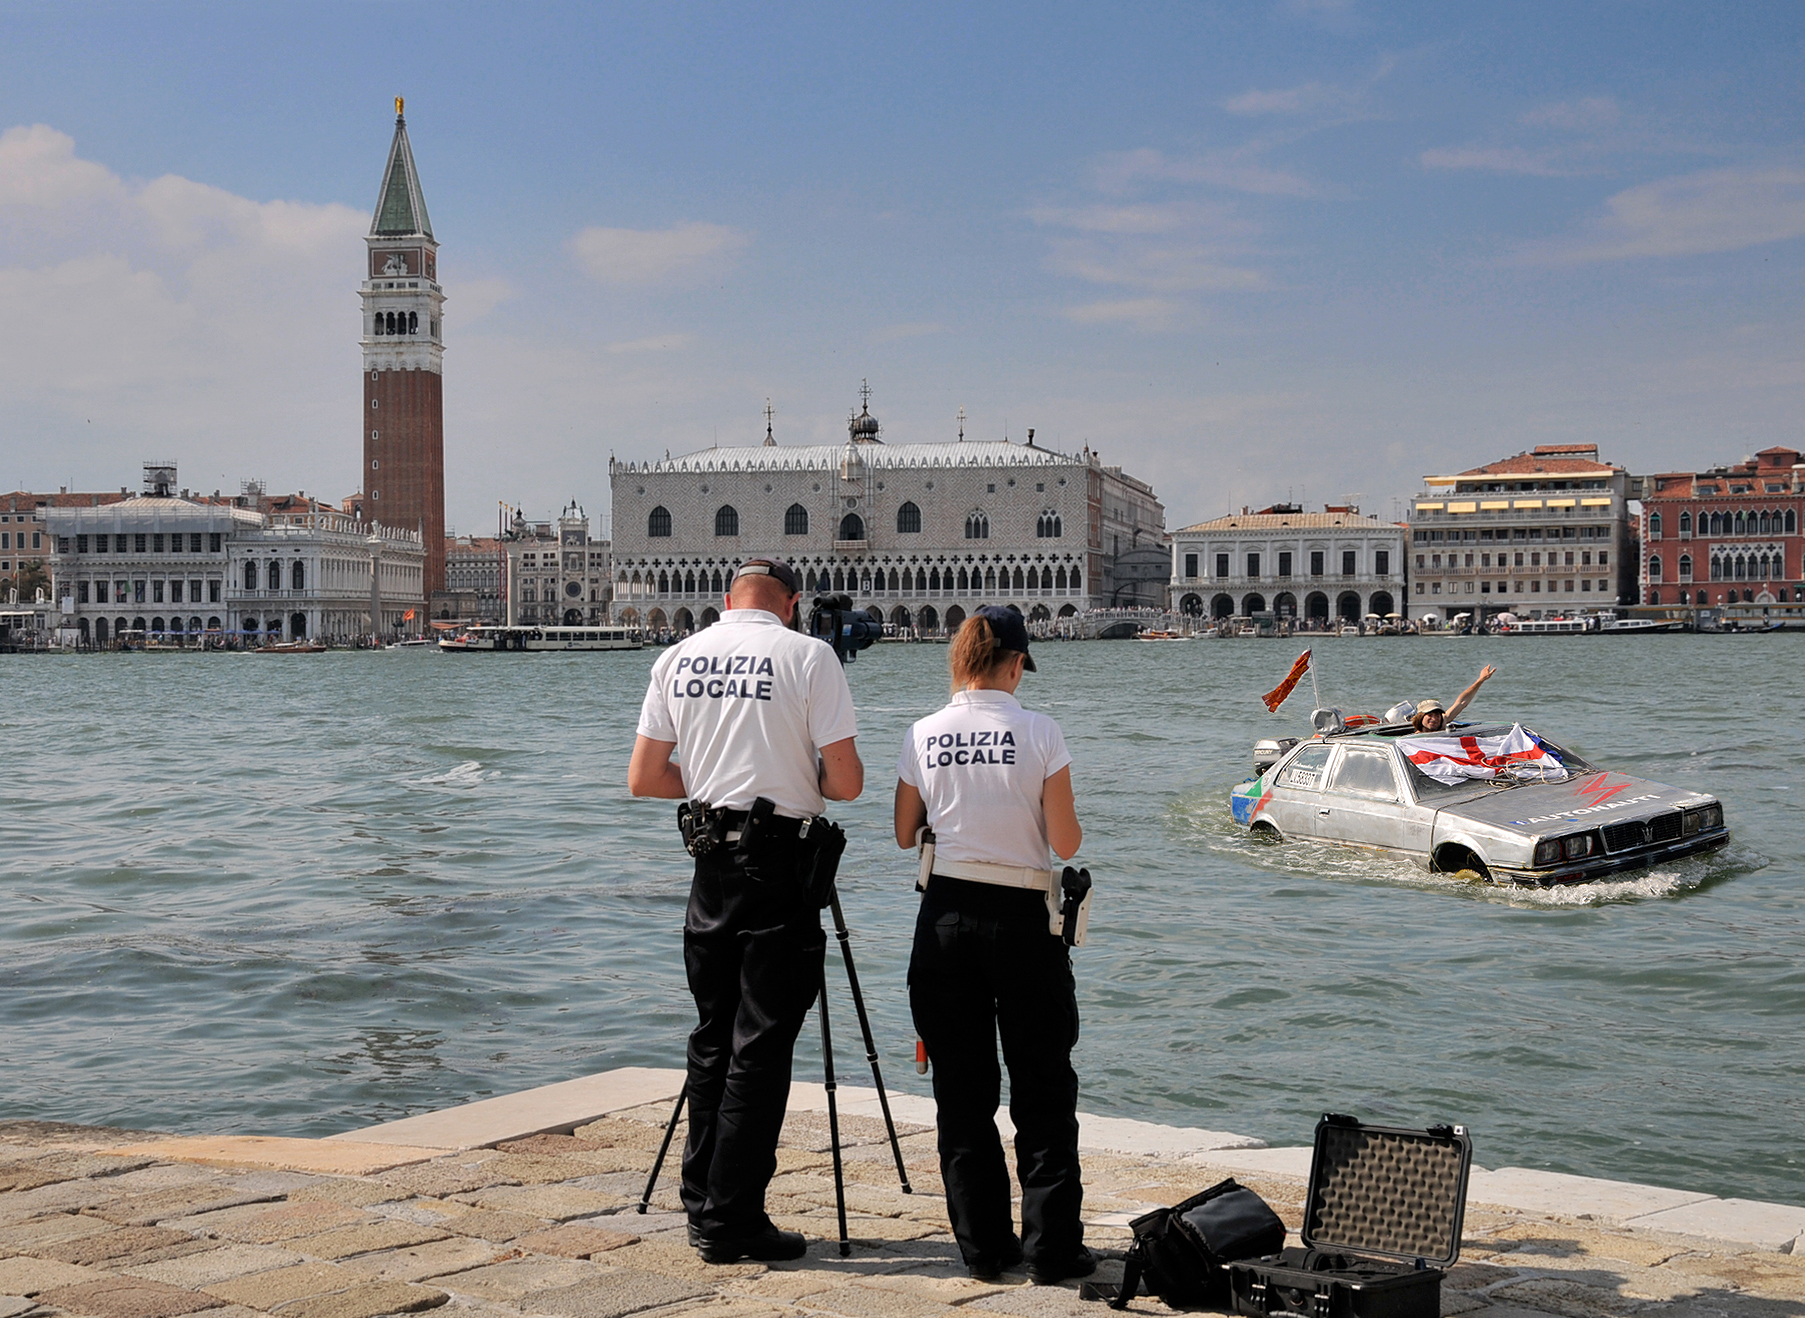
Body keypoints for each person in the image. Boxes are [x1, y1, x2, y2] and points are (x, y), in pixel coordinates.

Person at [628, 557, 864, 1264]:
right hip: (779, 867)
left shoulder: (678, 656)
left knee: (712, 1037)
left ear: (724, 599)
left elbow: (644, 777)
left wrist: (710, 780)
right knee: (760, 1046)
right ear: (790, 603)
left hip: (708, 863)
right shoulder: (808, 656)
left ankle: (701, 1198)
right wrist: (791, 776)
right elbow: (846, 783)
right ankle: (731, 1218)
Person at [893, 606, 1092, 1285]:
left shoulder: (923, 732)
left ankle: (982, 1249)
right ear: (1014, 664)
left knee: (961, 1090)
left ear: (959, 662)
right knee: (1041, 1085)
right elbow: (1065, 843)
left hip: (945, 916)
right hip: (1021, 920)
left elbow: (903, 831)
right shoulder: (1040, 732)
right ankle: (1051, 1250)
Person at [1409, 665, 1498, 733]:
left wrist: (1481, 680)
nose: (1434, 718)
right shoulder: (1410, 741)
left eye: (1437, 715)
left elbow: (1462, 702)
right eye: (1430, 715)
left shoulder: (1443, 721)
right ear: (1420, 717)